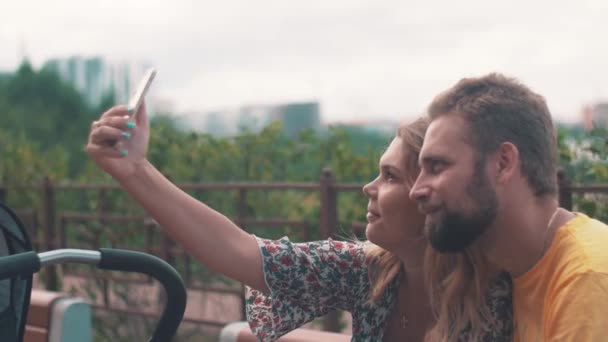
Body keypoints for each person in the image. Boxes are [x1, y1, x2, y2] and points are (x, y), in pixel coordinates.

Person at [86, 105, 512, 341]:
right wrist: (134, 170)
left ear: (430, 196)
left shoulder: (499, 296)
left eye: (389, 176)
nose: (368, 187)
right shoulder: (368, 272)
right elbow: (237, 249)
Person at [409, 73, 608, 341]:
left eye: (437, 166)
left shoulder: (586, 278)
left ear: (503, 163)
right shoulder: (518, 268)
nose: (416, 190)